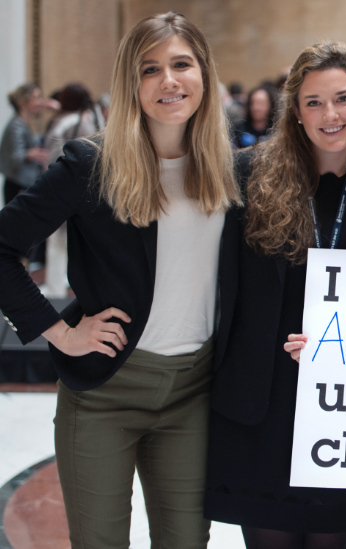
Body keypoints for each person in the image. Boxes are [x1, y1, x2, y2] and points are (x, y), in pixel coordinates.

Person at [0, 12, 241, 548]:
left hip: (193, 393)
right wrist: (61, 332)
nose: (168, 81)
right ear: (130, 85)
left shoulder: (233, 169)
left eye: (181, 64)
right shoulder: (93, 164)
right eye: (149, 69)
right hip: (105, 392)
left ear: (205, 73)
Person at [204, 41, 346, 549]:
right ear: (294, 111)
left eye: (342, 98)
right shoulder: (248, 175)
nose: (330, 114)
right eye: (314, 102)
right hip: (265, 400)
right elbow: (222, 285)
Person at [41, 83, 105, 298]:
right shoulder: (81, 122)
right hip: (75, 190)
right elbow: (91, 160)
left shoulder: (58, 122)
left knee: (57, 246)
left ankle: (56, 291)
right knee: (78, 246)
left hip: (53, 187)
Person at [0, 83, 49, 206]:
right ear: (23, 102)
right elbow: (16, 156)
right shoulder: (17, 125)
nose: (40, 102)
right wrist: (31, 154)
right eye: (36, 98)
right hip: (17, 185)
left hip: (21, 183)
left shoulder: (22, 124)